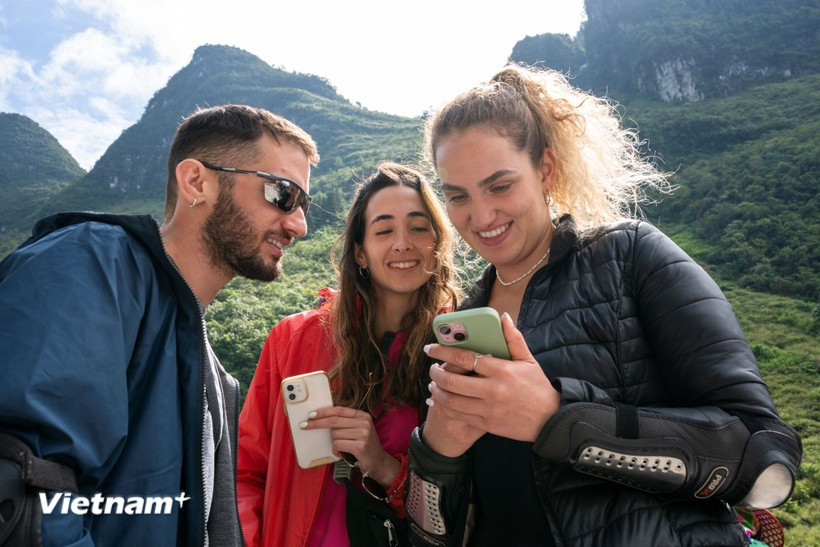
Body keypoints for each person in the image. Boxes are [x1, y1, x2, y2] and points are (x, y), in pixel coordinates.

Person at [406, 65, 803, 546]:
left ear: (545, 169)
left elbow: (764, 458)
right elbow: (430, 536)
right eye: (457, 196)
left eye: (500, 186)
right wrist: (437, 451)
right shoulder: (462, 324)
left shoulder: (630, 256)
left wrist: (558, 419)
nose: (481, 216)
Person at [0, 104, 318, 546]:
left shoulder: (211, 369)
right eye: (282, 193)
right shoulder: (93, 265)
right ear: (197, 181)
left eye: (304, 203)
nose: (298, 224)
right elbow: (23, 487)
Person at [236, 162, 460, 547]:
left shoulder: (455, 351)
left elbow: (469, 503)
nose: (402, 242)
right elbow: (246, 472)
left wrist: (382, 465)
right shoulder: (293, 338)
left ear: (437, 243)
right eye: (384, 229)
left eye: (419, 228)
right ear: (360, 252)